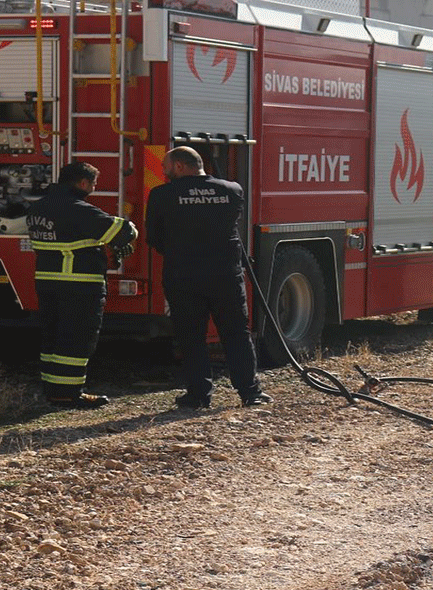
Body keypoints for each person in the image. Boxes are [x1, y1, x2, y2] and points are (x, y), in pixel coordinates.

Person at [146, 146, 271, 409]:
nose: (164, 172)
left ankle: (198, 395)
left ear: (179, 166)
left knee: (191, 337)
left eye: (166, 167)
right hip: (225, 275)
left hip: (183, 276)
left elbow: (153, 239)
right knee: (237, 333)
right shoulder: (232, 190)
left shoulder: (162, 194)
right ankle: (250, 392)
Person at [27, 162, 136, 409]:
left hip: (47, 283)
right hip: (79, 284)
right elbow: (123, 233)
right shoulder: (78, 209)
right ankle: (69, 394)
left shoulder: (38, 208)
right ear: (83, 183)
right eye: (93, 185)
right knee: (76, 340)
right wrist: (128, 229)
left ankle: (52, 390)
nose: (94, 189)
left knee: (52, 339)